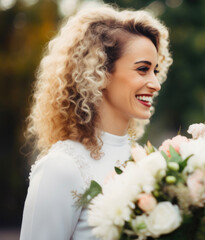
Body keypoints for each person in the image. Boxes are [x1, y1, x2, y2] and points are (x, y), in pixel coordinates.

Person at [20, 4, 172, 239]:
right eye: (142, 69)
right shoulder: (61, 168)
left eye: (155, 70)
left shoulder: (145, 160)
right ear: (100, 72)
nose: (155, 83)